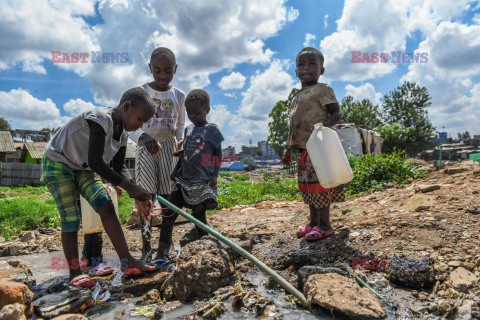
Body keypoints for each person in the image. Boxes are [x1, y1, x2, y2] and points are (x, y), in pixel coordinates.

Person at [42, 87, 158, 280]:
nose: (140, 126)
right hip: (58, 161)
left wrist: (136, 192)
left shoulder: (122, 135)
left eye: (144, 123)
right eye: (140, 119)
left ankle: (126, 260)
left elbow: (118, 168)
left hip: (82, 167)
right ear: (127, 107)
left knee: (106, 206)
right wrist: (131, 188)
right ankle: (75, 273)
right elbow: (96, 161)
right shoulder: (101, 119)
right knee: (70, 217)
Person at [128, 47, 185, 262]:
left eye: (168, 71)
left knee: (169, 197)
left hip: (169, 148)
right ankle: (146, 247)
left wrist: (180, 141)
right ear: (150, 68)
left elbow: (180, 125)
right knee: (146, 196)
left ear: (175, 70)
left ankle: (165, 243)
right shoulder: (140, 93)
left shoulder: (178, 95)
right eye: (157, 70)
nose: (162, 76)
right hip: (145, 146)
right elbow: (130, 126)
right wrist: (143, 137)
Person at [282, 47, 344, 241]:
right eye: (301, 64)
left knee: (319, 185)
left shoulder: (322, 89)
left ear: (321, 70)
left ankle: (325, 226)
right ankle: (313, 223)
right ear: (295, 72)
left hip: (318, 148)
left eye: (312, 64)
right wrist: (288, 149)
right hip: (302, 150)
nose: (306, 68)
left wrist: (320, 128)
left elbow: (336, 114)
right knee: (307, 187)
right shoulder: (295, 96)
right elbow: (293, 126)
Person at [156, 89, 223, 260]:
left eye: (197, 112)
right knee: (169, 213)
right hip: (183, 180)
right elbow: (184, 152)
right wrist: (176, 169)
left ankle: (206, 249)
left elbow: (218, 154)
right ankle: (161, 252)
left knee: (198, 216)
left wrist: (214, 176)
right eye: (189, 112)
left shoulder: (212, 130)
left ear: (207, 110)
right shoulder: (188, 130)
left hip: (201, 181)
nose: (193, 116)